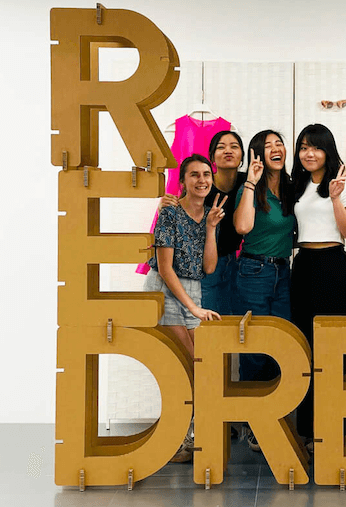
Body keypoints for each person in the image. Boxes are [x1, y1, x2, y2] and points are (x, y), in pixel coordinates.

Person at [143, 153, 227, 462]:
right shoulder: (170, 212)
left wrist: (211, 228)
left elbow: (209, 267)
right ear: (182, 181)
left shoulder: (209, 215)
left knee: (199, 365)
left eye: (206, 174)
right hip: (165, 288)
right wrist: (193, 308)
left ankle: (189, 433)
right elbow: (166, 269)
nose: (202, 180)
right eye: (194, 175)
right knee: (186, 364)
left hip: (192, 287)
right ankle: (181, 437)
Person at [290, 124, 346, 446]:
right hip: (303, 264)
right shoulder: (298, 183)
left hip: (333, 265)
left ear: (327, 150)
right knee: (305, 347)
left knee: (334, 347)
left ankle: (337, 429)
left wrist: (335, 198)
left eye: (316, 147)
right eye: (304, 147)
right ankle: (309, 429)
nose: (309, 153)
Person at [233, 130, 296, 451]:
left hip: (284, 272)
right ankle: (252, 422)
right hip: (254, 271)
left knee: (281, 345)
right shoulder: (250, 188)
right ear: (257, 154)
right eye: (268, 145)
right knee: (255, 347)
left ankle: (272, 414)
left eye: (279, 143)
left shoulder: (291, 187)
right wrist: (250, 182)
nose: (276, 148)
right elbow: (242, 227)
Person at [158, 131, 246, 315]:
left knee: (230, 320)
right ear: (212, 157)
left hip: (234, 264)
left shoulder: (247, 182)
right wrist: (163, 208)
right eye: (221, 147)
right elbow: (180, 210)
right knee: (206, 321)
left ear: (242, 155)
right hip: (202, 266)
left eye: (234, 146)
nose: (228, 151)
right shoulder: (203, 186)